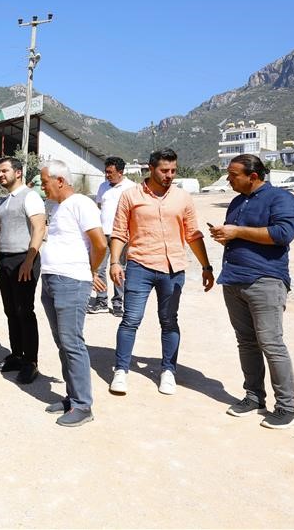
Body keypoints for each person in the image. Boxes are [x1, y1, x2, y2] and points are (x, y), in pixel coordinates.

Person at [108, 148, 214, 397]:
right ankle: (121, 370)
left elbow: (192, 234)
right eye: (164, 170)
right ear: (150, 168)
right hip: (139, 266)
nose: (169, 175)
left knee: (169, 321)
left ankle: (168, 371)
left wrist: (206, 266)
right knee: (130, 320)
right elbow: (119, 232)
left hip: (173, 269)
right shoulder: (130, 196)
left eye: (173, 171)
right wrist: (114, 262)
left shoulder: (183, 198)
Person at [210, 154, 294, 429]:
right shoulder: (238, 201)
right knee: (246, 342)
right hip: (234, 280)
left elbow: (283, 234)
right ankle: (254, 397)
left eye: (233, 175)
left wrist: (237, 231)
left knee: (272, 344)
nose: (228, 180)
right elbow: (239, 235)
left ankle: (287, 408)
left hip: (265, 282)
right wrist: (225, 235)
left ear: (253, 176)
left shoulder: (281, 198)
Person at [38, 160, 107, 427]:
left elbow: (100, 244)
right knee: (62, 343)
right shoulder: (57, 207)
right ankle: (71, 396)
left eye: (44, 181)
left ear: (60, 180)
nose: (42, 186)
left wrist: (89, 270)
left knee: (72, 343)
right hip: (52, 279)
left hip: (71, 281)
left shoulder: (82, 204)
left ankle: (83, 405)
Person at [0, 157, 46, 384]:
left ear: (19, 173)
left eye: (4, 171)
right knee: (10, 310)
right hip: (5, 260)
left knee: (25, 311)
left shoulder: (30, 196)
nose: (0, 175)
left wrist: (29, 260)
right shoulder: (4, 202)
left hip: (24, 259)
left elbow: (39, 228)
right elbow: (0, 233)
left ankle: (31, 362)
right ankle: (16, 354)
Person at [88, 157, 135, 316]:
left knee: (119, 269)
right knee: (99, 268)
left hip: (121, 236)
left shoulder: (131, 188)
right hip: (102, 234)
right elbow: (99, 206)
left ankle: (118, 303)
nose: (107, 175)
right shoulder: (103, 186)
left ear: (120, 173)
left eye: (110, 172)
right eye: (106, 172)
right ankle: (101, 301)